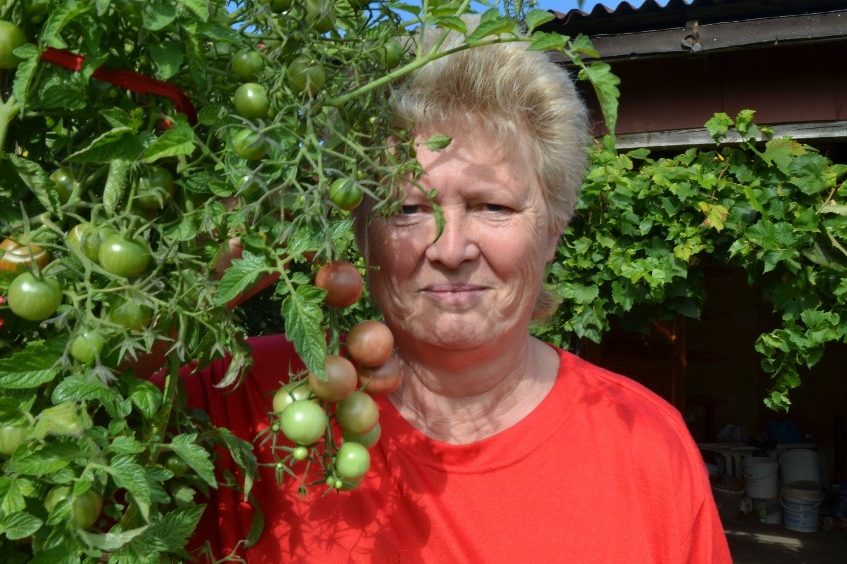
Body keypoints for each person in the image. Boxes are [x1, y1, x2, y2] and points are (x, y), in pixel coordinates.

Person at [181, 18, 732, 563]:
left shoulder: (647, 447)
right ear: (363, 237)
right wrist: (238, 238)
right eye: (408, 209)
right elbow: (100, 389)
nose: (450, 249)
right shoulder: (253, 399)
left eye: (492, 206)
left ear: (551, 235)